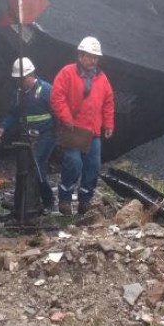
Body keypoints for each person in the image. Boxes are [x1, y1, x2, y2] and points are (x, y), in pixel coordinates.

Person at [51, 36, 115, 215]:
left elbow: (108, 101)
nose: (93, 60)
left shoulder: (102, 78)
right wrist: (66, 118)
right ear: (80, 56)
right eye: (89, 56)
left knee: (93, 167)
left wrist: (108, 123)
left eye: (95, 57)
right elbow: (57, 96)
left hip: (93, 131)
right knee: (74, 163)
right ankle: (65, 199)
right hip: (73, 130)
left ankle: (85, 201)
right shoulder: (67, 72)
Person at [0, 57, 57, 214]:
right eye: (18, 79)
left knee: (36, 166)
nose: (20, 82)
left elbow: (58, 112)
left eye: (22, 79)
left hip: (45, 135)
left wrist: (61, 133)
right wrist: (3, 127)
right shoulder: (18, 94)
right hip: (26, 137)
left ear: (31, 75)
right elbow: (12, 113)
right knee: (24, 167)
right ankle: (24, 201)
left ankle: (48, 200)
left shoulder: (46, 90)